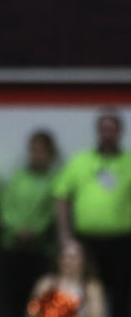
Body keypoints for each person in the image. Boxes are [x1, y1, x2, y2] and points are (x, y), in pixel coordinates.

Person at [54, 111, 131, 317]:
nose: (107, 134)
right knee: (82, 287)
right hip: (86, 240)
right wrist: (64, 235)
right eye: (103, 129)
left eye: (111, 129)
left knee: (121, 291)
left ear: (119, 132)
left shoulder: (129, 162)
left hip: (122, 241)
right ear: (97, 132)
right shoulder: (80, 161)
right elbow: (62, 197)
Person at [0, 131, 60, 317]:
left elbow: (52, 212)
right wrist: (16, 230)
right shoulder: (18, 177)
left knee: (38, 304)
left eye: (41, 151)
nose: (36, 155)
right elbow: (6, 207)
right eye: (33, 150)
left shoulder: (55, 180)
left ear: (50, 154)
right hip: (12, 248)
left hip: (40, 252)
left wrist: (35, 231)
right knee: (8, 301)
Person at [25, 240, 105, 317]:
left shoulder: (92, 288)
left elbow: (98, 314)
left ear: (83, 260)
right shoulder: (45, 283)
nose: (67, 261)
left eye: (73, 257)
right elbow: (32, 311)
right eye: (64, 256)